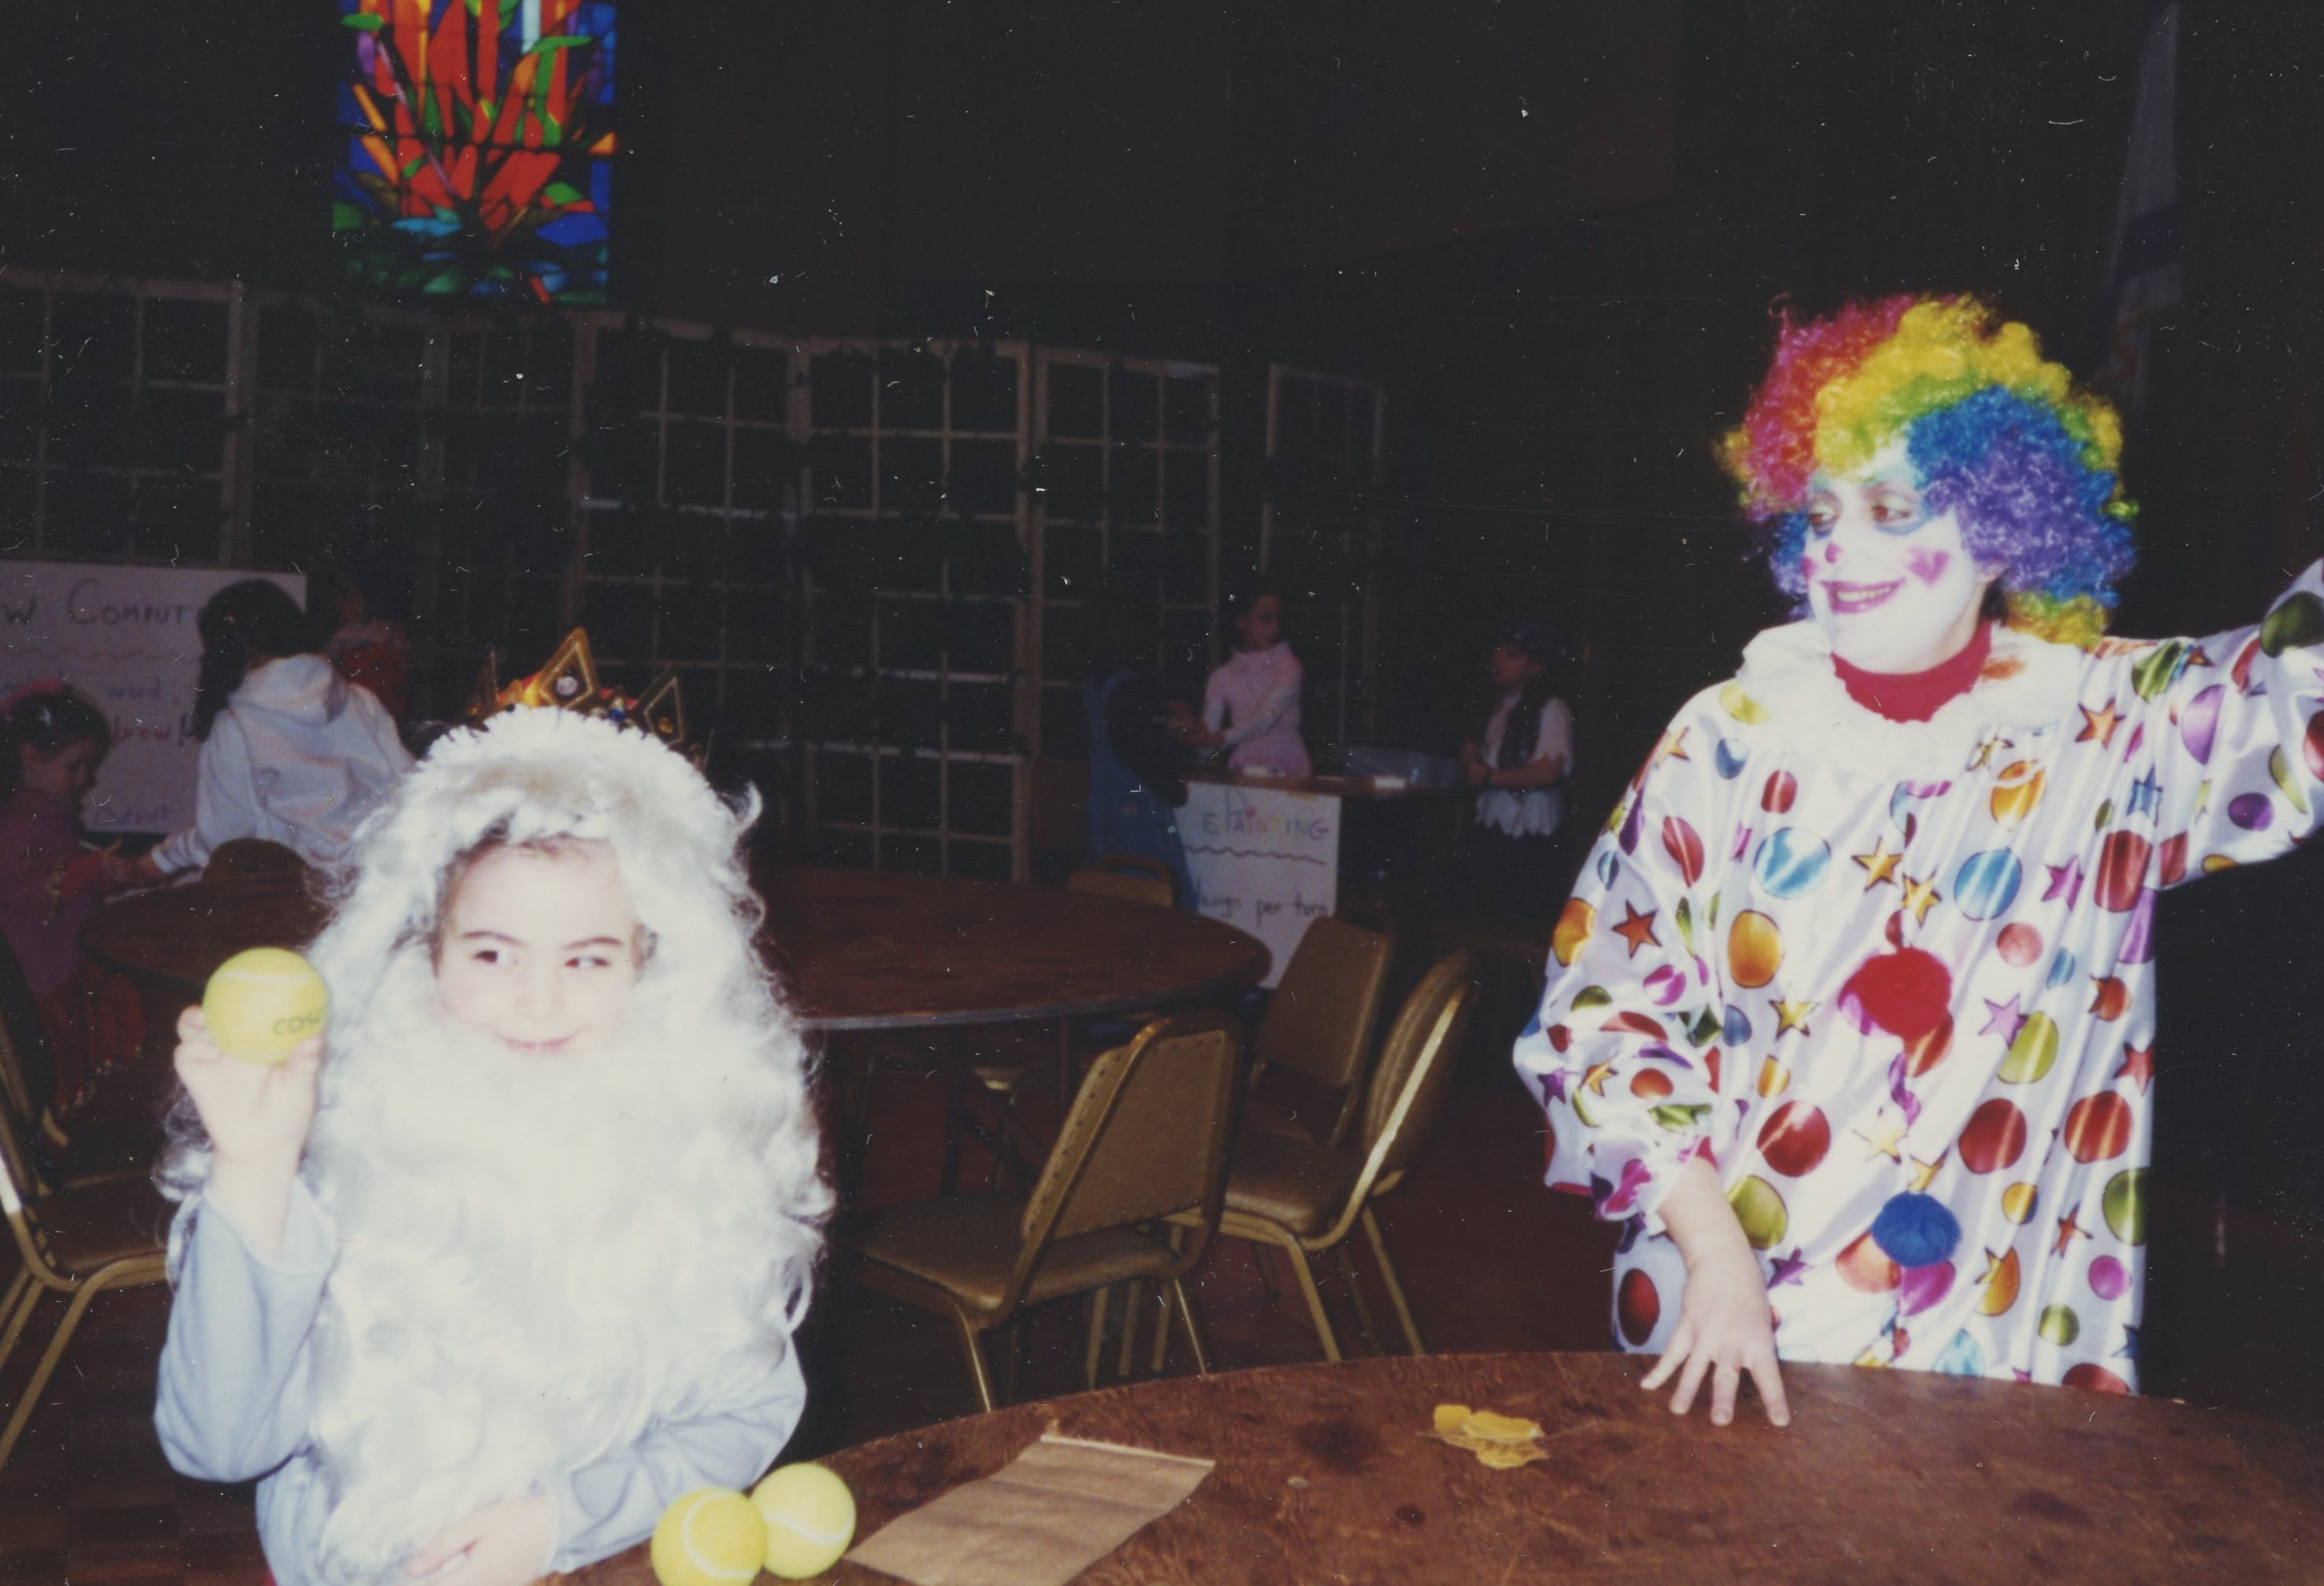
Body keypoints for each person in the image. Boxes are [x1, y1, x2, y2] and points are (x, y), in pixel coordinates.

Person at [1515, 293, 2324, 1429]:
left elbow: (2293, 695)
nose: (1835, 547)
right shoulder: (1729, 736)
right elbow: (1598, 1014)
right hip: (1730, 1318)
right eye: (1821, 511)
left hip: (1985, 1343)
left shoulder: (2109, 732)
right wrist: (1711, 1250)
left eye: (1890, 510)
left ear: (1999, 534)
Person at [153, 701, 830, 1585]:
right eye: (492, 954)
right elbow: (216, 1446)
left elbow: (746, 1414)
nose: (537, 1003)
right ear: (428, 951)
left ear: (652, 966)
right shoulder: (345, 1144)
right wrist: (255, 1167)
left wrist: (562, 1521)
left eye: (587, 958)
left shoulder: (692, 1162)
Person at [138, 580, 412, 880]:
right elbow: (410, 785)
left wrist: (161, 859)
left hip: (301, 889)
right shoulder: (361, 700)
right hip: (384, 875)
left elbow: (224, 837)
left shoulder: (236, 725)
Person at [0, 683, 138, 1110]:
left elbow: (69, 870)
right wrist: (91, 870)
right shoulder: (15, 822)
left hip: (64, 961)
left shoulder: (48, 813)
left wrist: (104, 874)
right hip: (40, 971)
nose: (84, 780)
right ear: (28, 756)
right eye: (73, 767)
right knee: (56, 1060)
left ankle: (78, 1112)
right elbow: (23, 891)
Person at [1083, 588, 1195, 904]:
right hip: (1139, 810)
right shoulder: (1133, 686)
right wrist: (1174, 787)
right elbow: (1143, 754)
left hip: (1105, 808)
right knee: (1157, 897)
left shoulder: (1097, 683)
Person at [1457, 626, 1575, 914]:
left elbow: (1548, 771)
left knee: (1521, 916)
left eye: (1511, 655)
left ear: (1536, 667)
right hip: (1491, 824)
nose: (1498, 659)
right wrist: (1470, 757)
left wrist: (1490, 777)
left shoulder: (1552, 708)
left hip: (1531, 832)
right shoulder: (1494, 706)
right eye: (1499, 651)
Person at [1185, 581, 1311, 776]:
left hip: (1289, 770)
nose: (1275, 629)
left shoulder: (1289, 666)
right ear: (1242, 621)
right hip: (1245, 770)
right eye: (1265, 619)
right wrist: (1195, 736)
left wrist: (1220, 739)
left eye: (1278, 620)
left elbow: (1265, 718)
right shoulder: (1221, 676)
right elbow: (1207, 749)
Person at [316, 567, 413, 722]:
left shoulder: (363, 638)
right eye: (337, 596)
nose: (338, 602)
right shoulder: (393, 634)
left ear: (369, 598)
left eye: (346, 596)